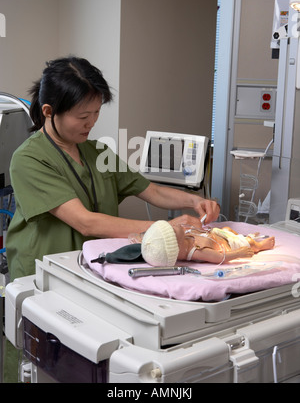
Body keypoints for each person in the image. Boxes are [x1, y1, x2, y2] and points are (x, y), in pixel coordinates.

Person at [4, 56, 219, 382]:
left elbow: (151, 191)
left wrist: (196, 200)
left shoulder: (96, 152)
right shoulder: (29, 159)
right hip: (44, 277)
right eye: (82, 116)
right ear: (49, 111)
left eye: (96, 114)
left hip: (93, 275)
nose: (91, 123)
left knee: (91, 361)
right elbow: (86, 223)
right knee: (43, 364)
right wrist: (163, 228)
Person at [139, 221, 275, 267]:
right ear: (175, 245)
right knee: (249, 243)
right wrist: (238, 253)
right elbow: (219, 257)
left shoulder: (186, 239)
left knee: (227, 229)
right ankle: (260, 245)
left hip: (219, 235)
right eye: (173, 229)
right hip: (228, 246)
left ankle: (244, 237)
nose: (174, 224)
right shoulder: (196, 251)